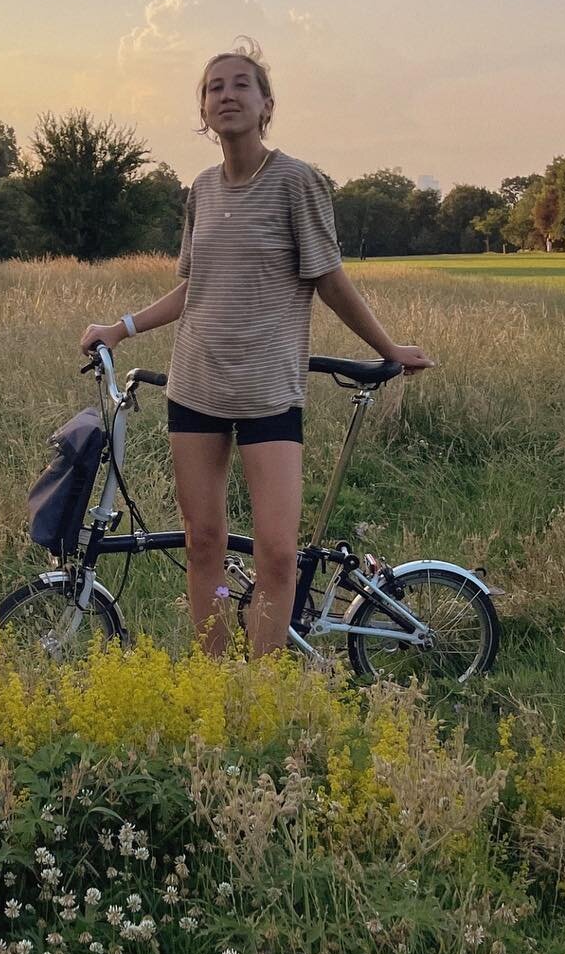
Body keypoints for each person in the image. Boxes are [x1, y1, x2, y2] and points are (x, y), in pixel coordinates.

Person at [80, 38, 434, 656]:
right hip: (196, 388)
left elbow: (329, 278)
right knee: (204, 541)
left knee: (276, 552)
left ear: (267, 103)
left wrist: (388, 346)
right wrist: (123, 327)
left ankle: (262, 693)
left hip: (270, 391)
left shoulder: (297, 182)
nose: (227, 95)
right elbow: (195, 286)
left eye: (241, 84)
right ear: (203, 111)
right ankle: (215, 684)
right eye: (214, 87)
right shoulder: (201, 190)